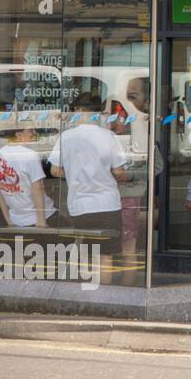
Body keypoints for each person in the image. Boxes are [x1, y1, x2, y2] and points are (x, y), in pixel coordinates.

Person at [48, 94, 128, 283]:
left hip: (80, 205)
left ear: (79, 110)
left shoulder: (65, 137)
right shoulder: (108, 136)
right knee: (106, 255)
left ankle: (89, 296)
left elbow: (55, 170)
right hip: (108, 203)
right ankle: (105, 299)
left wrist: (76, 173)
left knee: (88, 253)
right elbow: (118, 171)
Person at [0, 123, 56, 230]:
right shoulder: (30, 155)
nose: (34, 133)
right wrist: (41, 223)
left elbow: (0, 189)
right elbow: (37, 189)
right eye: (30, 130)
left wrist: (8, 220)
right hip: (40, 217)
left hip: (15, 219)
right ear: (18, 135)